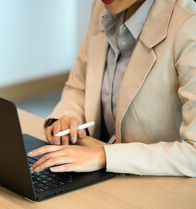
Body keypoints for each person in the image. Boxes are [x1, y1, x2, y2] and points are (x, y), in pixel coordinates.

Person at [29, 0, 196, 177]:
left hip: (155, 187)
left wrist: (104, 156)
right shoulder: (103, 6)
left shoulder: (188, 23)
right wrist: (69, 116)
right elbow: (79, 86)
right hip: (103, 177)